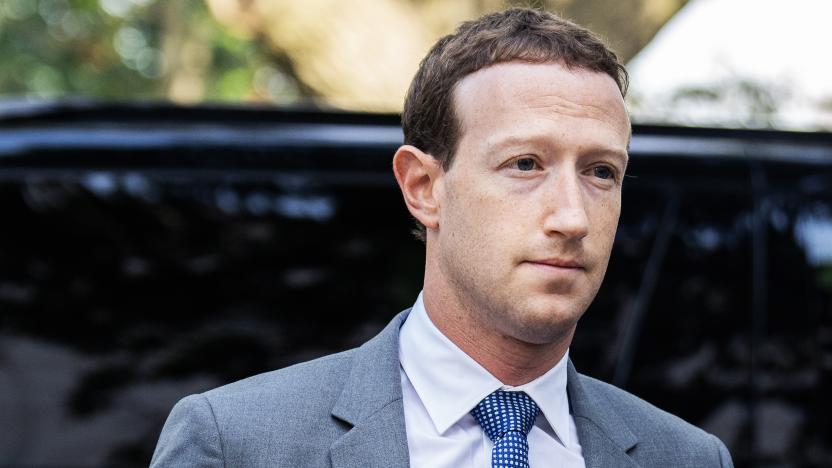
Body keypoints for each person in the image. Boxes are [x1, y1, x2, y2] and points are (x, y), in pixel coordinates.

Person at [151, 7, 733, 468]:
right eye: (525, 164)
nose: (573, 217)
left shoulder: (688, 458)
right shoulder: (236, 444)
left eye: (601, 171)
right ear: (424, 187)